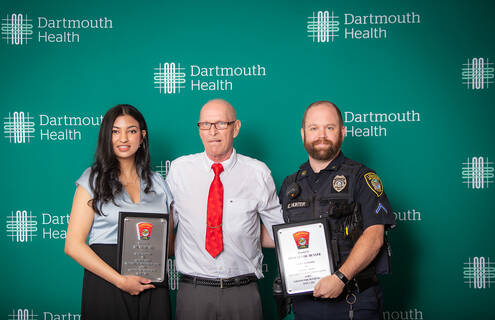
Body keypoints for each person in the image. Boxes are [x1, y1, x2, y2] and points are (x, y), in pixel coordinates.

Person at [166, 98, 284, 320]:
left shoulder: (258, 173)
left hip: (243, 291)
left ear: (235, 128)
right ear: (199, 129)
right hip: (194, 291)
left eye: (221, 124)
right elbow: (164, 228)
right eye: (205, 125)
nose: (212, 131)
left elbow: (280, 232)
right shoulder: (179, 170)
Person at [278, 101, 396, 320]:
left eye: (329, 128)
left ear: (342, 132)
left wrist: (341, 278)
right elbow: (278, 236)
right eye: (314, 128)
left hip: (354, 301)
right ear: (303, 133)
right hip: (306, 303)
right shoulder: (291, 185)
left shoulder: (361, 177)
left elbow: (374, 236)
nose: (321, 135)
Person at [65, 104, 172, 320]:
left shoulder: (159, 183)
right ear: (107, 136)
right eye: (115, 131)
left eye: (131, 131)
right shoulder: (92, 180)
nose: (123, 138)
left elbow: (168, 245)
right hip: (107, 281)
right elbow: (73, 245)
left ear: (142, 137)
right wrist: (119, 280)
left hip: (152, 282)